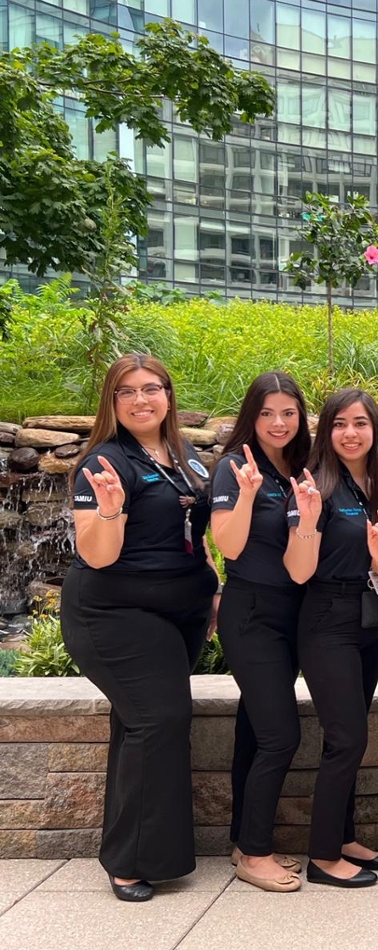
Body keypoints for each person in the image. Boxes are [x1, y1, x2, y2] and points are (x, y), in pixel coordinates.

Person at [62, 353, 219, 901]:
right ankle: (130, 862)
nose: (140, 399)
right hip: (116, 612)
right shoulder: (103, 465)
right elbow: (98, 557)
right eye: (125, 392)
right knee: (160, 720)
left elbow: (193, 532)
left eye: (151, 388)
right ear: (112, 402)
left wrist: (212, 582)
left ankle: (136, 850)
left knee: (139, 725)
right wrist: (108, 512)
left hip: (183, 610)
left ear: (169, 396)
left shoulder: (185, 456)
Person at [284, 388, 378, 889]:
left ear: (374, 430)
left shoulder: (376, 485)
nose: (350, 433)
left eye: (360, 423)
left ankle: (345, 836)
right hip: (327, 618)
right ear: (326, 431)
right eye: (339, 424)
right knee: (345, 738)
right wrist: (307, 523)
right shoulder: (315, 487)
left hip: (368, 619)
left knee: (354, 734)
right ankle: (323, 855)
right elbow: (298, 571)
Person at [210, 371, 312, 892]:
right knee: (280, 735)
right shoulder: (236, 467)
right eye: (268, 412)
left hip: (291, 612)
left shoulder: (296, 468)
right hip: (252, 613)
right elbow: (227, 546)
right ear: (252, 415)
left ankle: (242, 838)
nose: (279, 422)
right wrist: (247, 495)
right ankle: (254, 853)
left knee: (255, 731)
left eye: (289, 413)